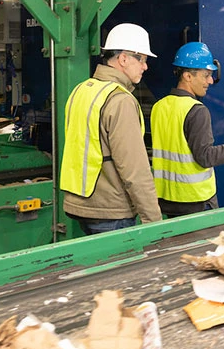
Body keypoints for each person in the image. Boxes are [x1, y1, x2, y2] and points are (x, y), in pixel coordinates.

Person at [60, 23, 162, 235]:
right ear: (124, 58)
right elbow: (134, 169)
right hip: (111, 210)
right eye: (142, 59)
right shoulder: (119, 100)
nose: (146, 66)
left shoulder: (82, 90)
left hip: (82, 204)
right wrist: (154, 221)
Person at [151, 42, 224, 217]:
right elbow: (206, 157)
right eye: (206, 75)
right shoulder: (196, 110)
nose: (211, 81)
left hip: (167, 201)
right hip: (196, 201)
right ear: (187, 76)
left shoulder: (159, 107)